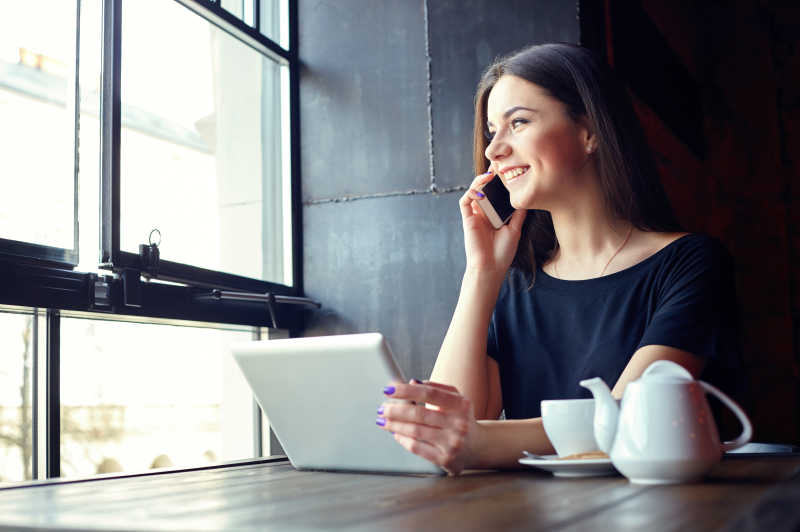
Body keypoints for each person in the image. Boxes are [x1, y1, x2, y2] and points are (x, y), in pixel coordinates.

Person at [375, 43, 746, 475]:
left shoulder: (689, 263)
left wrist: (480, 441)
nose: (494, 149)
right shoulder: (512, 284)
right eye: (492, 129)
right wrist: (481, 273)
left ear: (589, 132)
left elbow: (631, 420)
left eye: (518, 123)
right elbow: (446, 427)